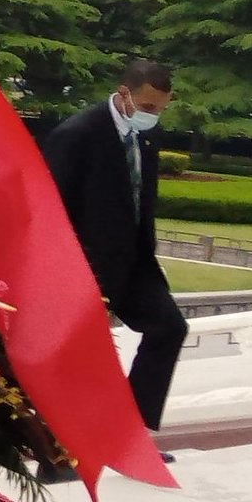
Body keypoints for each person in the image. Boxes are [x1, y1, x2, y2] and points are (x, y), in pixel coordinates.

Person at [45, 60, 186, 438]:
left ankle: (131, 435)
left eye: (162, 108)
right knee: (80, 360)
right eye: (149, 107)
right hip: (87, 266)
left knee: (170, 327)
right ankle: (62, 450)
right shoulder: (78, 135)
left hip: (135, 263)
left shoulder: (147, 137)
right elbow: (52, 208)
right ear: (124, 92)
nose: (154, 116)